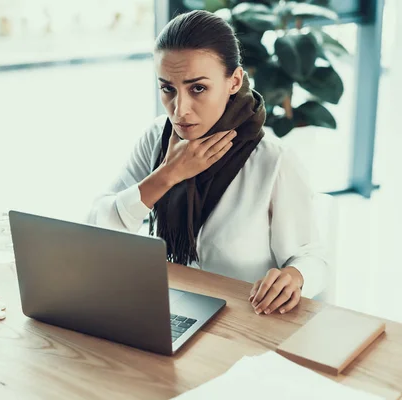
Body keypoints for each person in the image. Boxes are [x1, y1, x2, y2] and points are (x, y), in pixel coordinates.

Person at [87, 10, 328, 315]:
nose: (180, 109)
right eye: (167, 89)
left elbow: (312, 256)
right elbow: (96, 228)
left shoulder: (272, 160)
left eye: (197, 88)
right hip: (166, 312)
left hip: (244, 327)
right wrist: (167, 174)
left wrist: (295, 277)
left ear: (234, 81)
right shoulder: (157, 138)